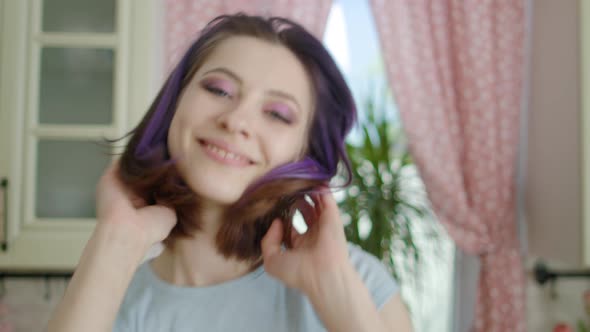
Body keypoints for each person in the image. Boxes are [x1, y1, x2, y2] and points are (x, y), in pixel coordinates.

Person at [47, 13, 413, 332]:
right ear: (175, 105)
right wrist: (114, 241)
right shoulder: (106, 300)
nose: (236, 120)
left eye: (277, 114)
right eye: (219, 89)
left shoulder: (359, 284)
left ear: (305, 154)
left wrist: (336, 291)